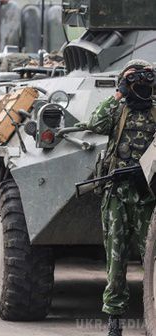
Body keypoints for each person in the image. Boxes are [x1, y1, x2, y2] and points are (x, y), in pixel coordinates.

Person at [82, 59, 156, 336]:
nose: (140, 82)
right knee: (116, 259)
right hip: (117, 194)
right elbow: (95, 122)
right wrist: (120, 91)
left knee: (152, 256)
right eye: (134, 78)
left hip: (147, 194)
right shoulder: (119, 110)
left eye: (144, 77)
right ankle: (114, 319)